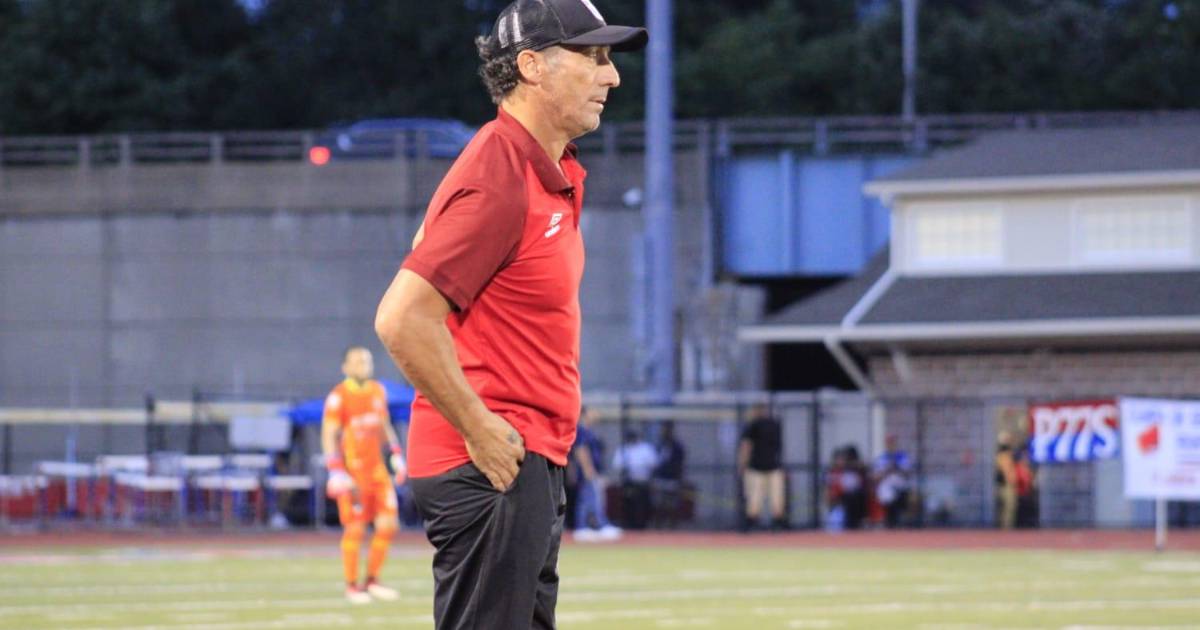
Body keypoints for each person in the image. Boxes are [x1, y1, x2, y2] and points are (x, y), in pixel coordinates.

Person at [372, 2, 646, 627]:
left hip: (523, 456)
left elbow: (430, 248)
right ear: (531, 66)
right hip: (492, 462)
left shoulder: (542, 167)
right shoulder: (500, 174)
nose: (612, 76)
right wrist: (479, 427)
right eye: (593, 57)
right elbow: (402, 318)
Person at [321, 346, 407, 604]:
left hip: (377, 472)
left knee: (388, 524)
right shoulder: (338, 396)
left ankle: (372, 580)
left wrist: (396, 453)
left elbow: (384, 425)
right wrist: (335, 469)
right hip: (353, 474)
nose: (363, 365)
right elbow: (329, 433)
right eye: (357, 361)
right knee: (355, 529)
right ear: (345, 367)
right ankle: (352, 585)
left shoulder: (377, 391)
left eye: (366, 361)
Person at [571, 406, 621, 541]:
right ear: (584, 414)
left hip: (591, 470)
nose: (595, 414)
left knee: (587, 499)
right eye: (592, 412)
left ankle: (585, 525)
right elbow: (580, 450)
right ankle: (595, 525)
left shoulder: (586, 430)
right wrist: (588, 469)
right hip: (587, 471)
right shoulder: (581, 430)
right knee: (591, 498)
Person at [737, 405, 787, 531]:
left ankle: (751, 524)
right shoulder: (775, 425)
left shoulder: (752, 425)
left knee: (755, 497)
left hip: (757, 468)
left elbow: (746, 446)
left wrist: (742, 464)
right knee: (775, 498)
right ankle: (777, 524)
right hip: (772, 466)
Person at [611, 428, 658, 529]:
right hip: (629, 482)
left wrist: (639, 467)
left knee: (642, 506)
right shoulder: (624, 449)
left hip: (643, 483)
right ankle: (629, 526)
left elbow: (653, 463)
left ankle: (641, 526)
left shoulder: (645, 448)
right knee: (629, 505)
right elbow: (616, 464)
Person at [872, 435, 913, 529]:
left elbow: (908, 474)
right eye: (889, 443)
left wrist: (896, 467)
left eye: (892, 443)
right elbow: (876, 477)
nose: (891, 445)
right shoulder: (882, 458)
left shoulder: (902, 457)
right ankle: (891, 522)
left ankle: (897, 521)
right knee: (887, 495)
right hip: (886, 486)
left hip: (901, 486)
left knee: (900, 499)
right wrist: (887, 470)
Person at [651, 420, 686, 528]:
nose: (665, 432)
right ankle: (658, 526)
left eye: (667, 429)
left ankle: (672, 528)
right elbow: (654, 464)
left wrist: (680, 480)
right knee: (659, 504)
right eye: (663, 429)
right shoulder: (659, 445)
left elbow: (680, 465)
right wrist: (653, 479)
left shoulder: (677, 447)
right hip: (660, 479)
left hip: (672, 479)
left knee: (672, 505)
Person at [995, 432, 1018, 530]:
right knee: (1009, 508)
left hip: (1001, 486)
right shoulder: (1004, 455)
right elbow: (1007, 472)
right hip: (1005, 486)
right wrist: (1012, 482)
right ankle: (1006, 530)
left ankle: (1003, 528)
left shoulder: (999, 455)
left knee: (1003, 509)